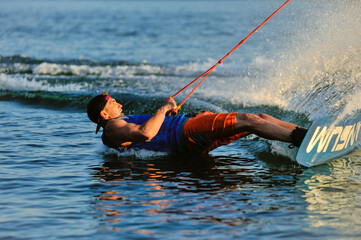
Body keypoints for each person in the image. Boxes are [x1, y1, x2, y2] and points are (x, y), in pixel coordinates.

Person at [87, 92, 307, 153]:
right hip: (185, 133)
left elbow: (150, 133)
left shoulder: (117, 125)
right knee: (250, 120)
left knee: (258, 119)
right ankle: (302, 140)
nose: (119, 105)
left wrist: (166, 116)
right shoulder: (113, 127)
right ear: (104, 115)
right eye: (113, 103)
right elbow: (145, 133)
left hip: (187, 136)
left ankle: (302, 133)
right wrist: (163, 109)